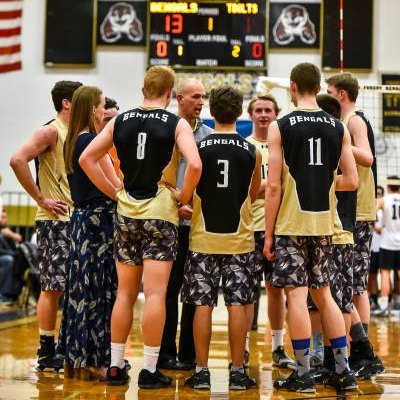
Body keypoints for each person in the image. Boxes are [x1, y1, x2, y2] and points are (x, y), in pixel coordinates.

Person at [79, 66, 202, 389]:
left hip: (126, 212)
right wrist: (183, 196)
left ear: (142, 89)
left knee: (125, 293)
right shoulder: (177, 123)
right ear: (170, 93)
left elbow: (86, 159)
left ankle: (116, 365)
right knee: (157, 294)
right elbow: (196, 164)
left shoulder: (120, 120)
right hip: (160, 212)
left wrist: (115, 191)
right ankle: (149, 369)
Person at [264, 63, 358, 392]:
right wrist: (324, 182)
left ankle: (302, 374)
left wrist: (270, 234)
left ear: (292, 87)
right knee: (326, 296)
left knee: (297, 296)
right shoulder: (338, 126)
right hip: (325, 225)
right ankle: (343, 371)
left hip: (292, 223)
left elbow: (273, 187)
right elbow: (353, 179)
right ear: (318, 87)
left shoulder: (281, 126)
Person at [179, 86, 261, 390]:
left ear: (212, 112)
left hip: (203, 238)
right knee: (238, 304)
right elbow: (253, 194)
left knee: (203, 304)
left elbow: (187, 191)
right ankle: (238, 371)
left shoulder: (198, 147)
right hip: (239, 238)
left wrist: (183, 199)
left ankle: (201, 371)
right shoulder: (253, 150)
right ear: (241, 113)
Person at [10, 80, 83, 372]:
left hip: (75, 219)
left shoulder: (77, 132)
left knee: (73, 287)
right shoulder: (50, 130)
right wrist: (41, 198)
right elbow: (17, 160)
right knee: (52, 287)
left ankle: (65, 346)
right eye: (80, 99)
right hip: (54, 221)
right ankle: (46, 350)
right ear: (66, 102)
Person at [59, 86, 121, 379]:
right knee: (100, 290)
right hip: (100, 221)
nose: (103, 109)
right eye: (101, 105)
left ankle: (74, 360)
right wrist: (122, 196)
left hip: (80, 221)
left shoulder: (71, 141)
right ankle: (96, 361)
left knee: (79, 290)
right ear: (93, 109)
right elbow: (114, 185)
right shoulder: (92, 142)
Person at [326, 72, 384, 377]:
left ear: (341, 95)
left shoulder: (354, 121)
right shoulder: (345, 122)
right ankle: (357, 348)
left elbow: (368, 157)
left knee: (356, 285)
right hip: (352, 209)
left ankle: (362, 352)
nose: (326, 94)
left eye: (329, 91)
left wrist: (339, 144)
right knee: (353, 283)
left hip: (359, 211)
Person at [158, 78, 213, 370]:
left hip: (197, 226)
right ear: (179, 98)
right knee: (167, 291)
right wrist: (175, 201)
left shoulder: (209, 136)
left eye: (203, 97)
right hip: (168, 223)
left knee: (194, 292)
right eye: (195, 97)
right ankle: (165, 352)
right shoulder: (164, 130)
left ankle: (189, 353)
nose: (201, 102)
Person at [246, 95, 295, 369]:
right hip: (249, 228)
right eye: (258, 110)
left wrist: (264, 186)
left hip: (278, 227)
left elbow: (283, 187)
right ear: (250, 114)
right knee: (245, 292)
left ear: (276, 114)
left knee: (276, 289)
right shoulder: (245, 146)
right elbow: (245, 191)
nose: (263, 114)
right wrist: (269, 184)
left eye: (268, 110)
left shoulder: (285, 147)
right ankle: (241, 350)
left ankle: (277, 348)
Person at [376, 176, 400, 316]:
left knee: (385, 274)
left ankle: (384, 307)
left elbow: (370, 213)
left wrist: (377, 228)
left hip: (387, 242)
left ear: (389, 187)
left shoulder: (383, 200)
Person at [369, 185, 384, 314]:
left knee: (386, 275)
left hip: (383, 247)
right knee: (371, 276)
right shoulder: (370, 209)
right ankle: (373, 300)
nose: (377, 196)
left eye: (379, 194)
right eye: (376, 194)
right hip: (372, 248)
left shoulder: (384, 210)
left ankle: (387, 301)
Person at [101, 97, 120, 176]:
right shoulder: (88, 144)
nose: (114, 123)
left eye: (117, 119)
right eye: (108, 120)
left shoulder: (124, 143)